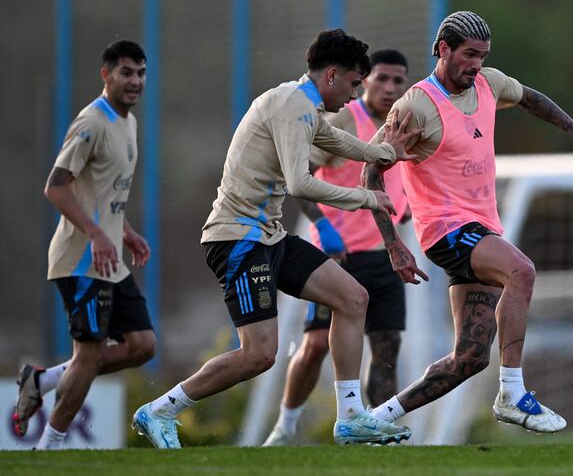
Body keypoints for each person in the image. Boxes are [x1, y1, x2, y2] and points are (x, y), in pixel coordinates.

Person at [132, 30, 421, 449]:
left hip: (268, 235)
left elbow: (335, 140)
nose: (355, 93)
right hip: (238, 239)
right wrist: (366, 197)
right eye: (355, 83)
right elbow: (300, 184)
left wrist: (384, 153)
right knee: (259, 355)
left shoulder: (305, 106)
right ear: (332, 74)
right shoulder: (291, 105)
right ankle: (161, 409)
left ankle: (350, 418)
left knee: (353, 298)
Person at [363, 11, 573, 434]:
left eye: (483, 56)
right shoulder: (417, 105)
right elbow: (370, 171)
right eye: (469, 54)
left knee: (469, 358)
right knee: (522, 271)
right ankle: (512, 393)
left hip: (479, 229)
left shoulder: (488, 83)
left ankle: (374, 420)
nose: (477, 64)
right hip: (446, 230)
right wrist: (393, 244)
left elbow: (532, 99)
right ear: (443, 49)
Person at [262, 49, 411, 446]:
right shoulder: (345, 120)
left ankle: (377, 434)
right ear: (365, 80)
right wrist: (323, 226)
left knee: (387, 349)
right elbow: (300, 179)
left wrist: (408, 206)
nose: (390, 88)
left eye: (398, 81)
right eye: (382, 78)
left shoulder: (403, 127)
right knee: (314, 346)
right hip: (339, 257)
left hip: (386, 256)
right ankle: (284, 428)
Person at [14, 40, 156, 450]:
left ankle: (42, 381)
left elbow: (99, 191)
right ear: (106, 75)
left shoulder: (128, 122)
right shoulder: (91, 122)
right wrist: (96, 234)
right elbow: (57, 187)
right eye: (126, 72)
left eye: (141, 73)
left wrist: (124, 230)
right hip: (80, 260)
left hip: (109, 259)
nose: (135, 81)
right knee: (89, 356)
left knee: (142, 345)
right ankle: (49, 447)